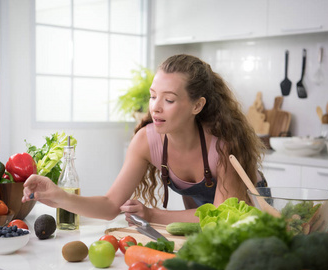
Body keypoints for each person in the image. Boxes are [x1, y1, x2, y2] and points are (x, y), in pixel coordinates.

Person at [22, 54, 266, 225]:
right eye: (152, 96)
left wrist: (153, 215)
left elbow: (226, 214)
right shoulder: (147, 141)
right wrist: (60, 197)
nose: (156, 108)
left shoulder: (223, 143)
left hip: (253, 216)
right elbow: (110, 206)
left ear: (197, 105)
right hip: (202, 224)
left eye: (169, 100)